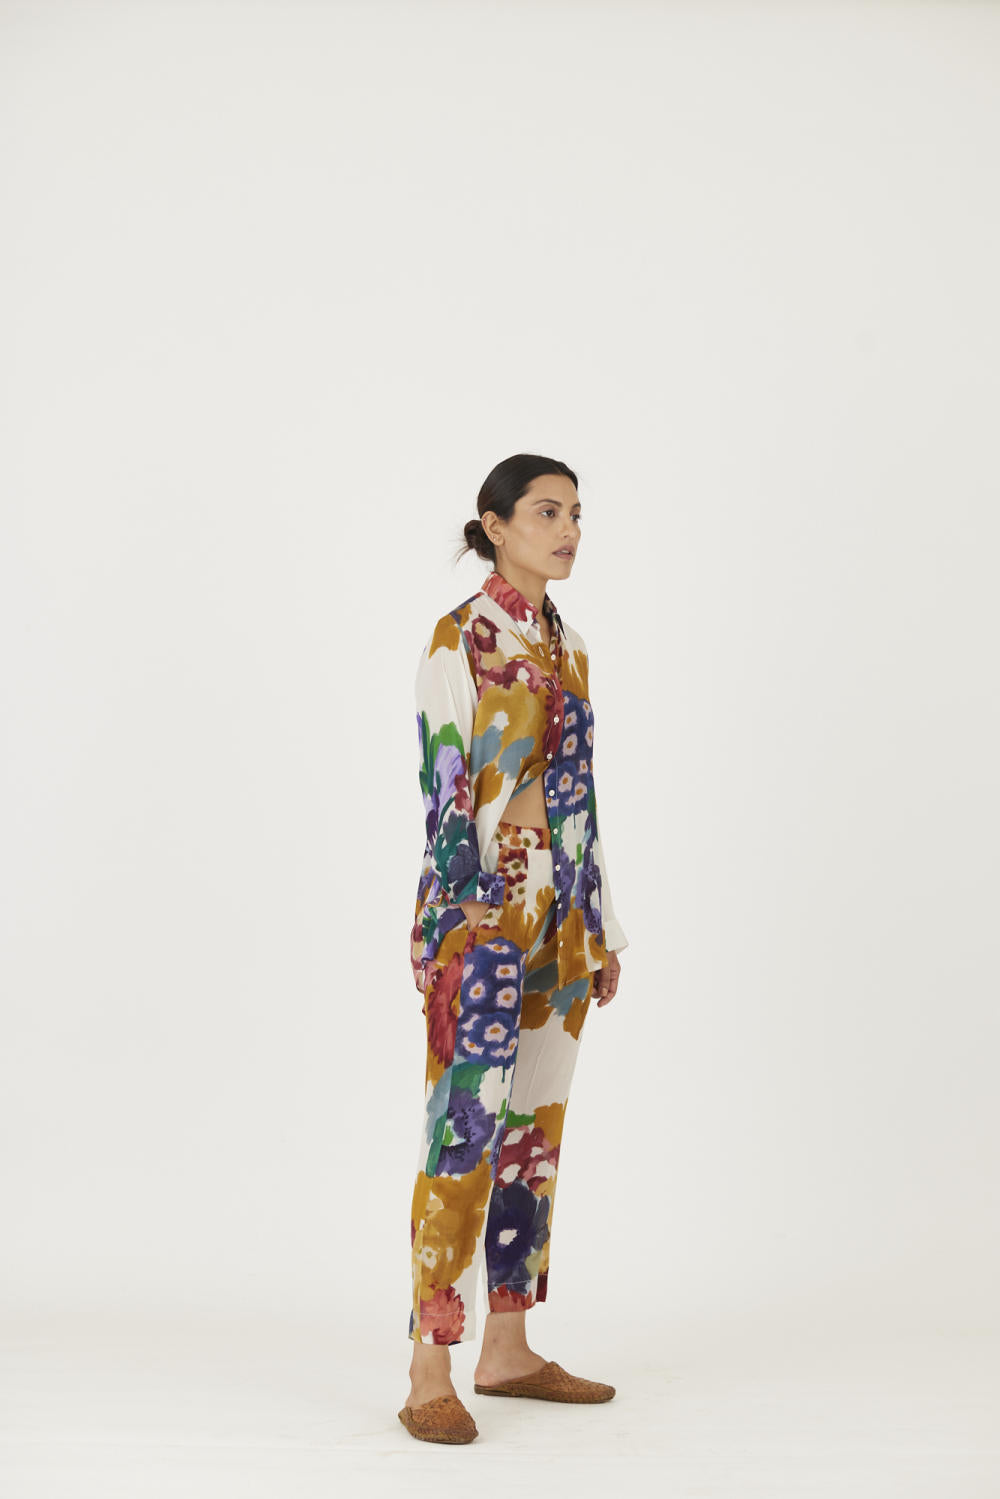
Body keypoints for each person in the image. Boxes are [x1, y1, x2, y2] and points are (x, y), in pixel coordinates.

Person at [399, 453, 628, 1445]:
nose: (568, 529)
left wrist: (602, 922)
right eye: (546, 511)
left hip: (561, 908)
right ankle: (429, 1365)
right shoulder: (458, 639)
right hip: (482, 913)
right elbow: (443, 786)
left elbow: (582, 796)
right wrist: (468, 906)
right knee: (463, 1134)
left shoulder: (570, 647)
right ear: (495, 525)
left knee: (533, 1129)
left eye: (575, 513)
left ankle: (508, 1347)